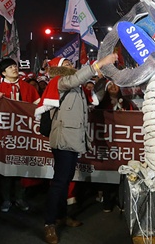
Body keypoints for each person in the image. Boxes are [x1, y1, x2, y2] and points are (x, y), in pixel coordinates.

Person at [35, 53, 117, 244]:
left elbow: (92, 94)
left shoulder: (77, 88)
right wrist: (100, 63)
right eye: (66, 63)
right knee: (59, 181)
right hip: (63, 139)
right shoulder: (59, 81)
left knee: (65, 180)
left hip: (73, 139)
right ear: (57, 68)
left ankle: (61, 216)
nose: (70, 64)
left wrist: (104, 77)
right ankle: (49, 224)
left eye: (71, 62)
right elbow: (77, 78)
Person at [0, 57, 40, 213]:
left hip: (24, 133)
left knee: (21, 166)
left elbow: (38, 107)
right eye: (10, 67)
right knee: (6, 168)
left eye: (15, 66)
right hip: (5, 134)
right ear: (3, 72)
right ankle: (6, 199)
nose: (14, 68)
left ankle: (19, 197)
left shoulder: (28, 88)